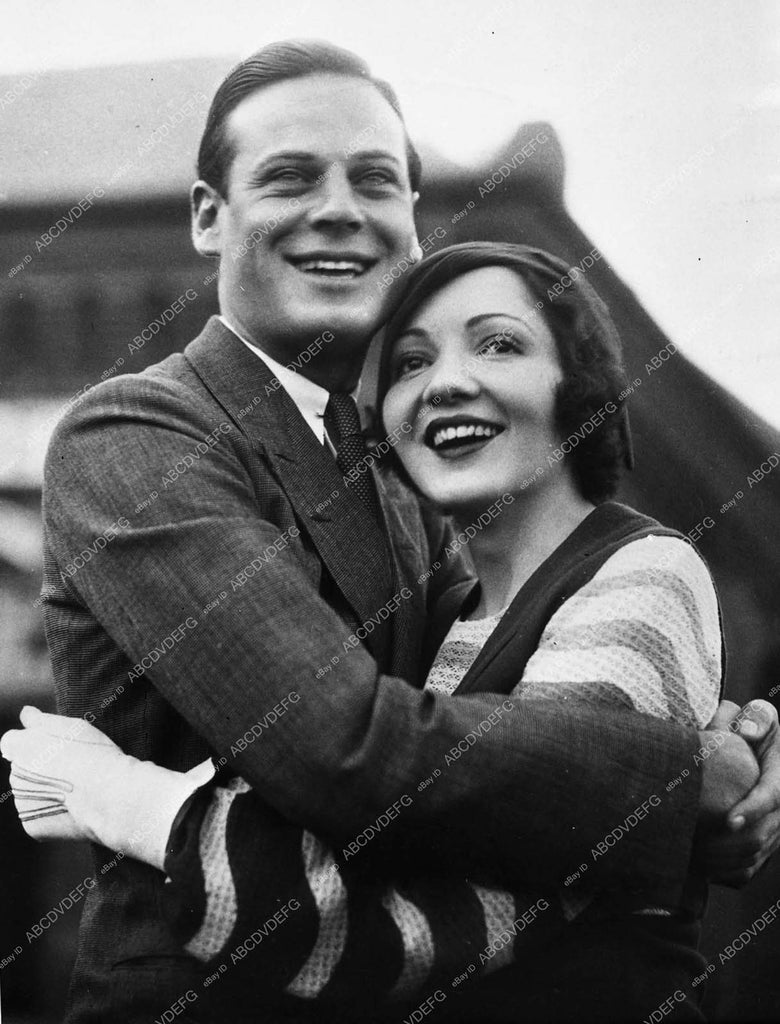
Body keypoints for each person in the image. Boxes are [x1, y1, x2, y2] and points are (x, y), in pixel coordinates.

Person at [6, 39, 779, 1024]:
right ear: (208, 217)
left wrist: (745, 737)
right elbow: (341, 746)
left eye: (375, 180)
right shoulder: (139, 432)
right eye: (289, 177)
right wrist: (683, 783)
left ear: (412, 224)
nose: (340, 208)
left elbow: (525, 682)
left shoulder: (405, 480)